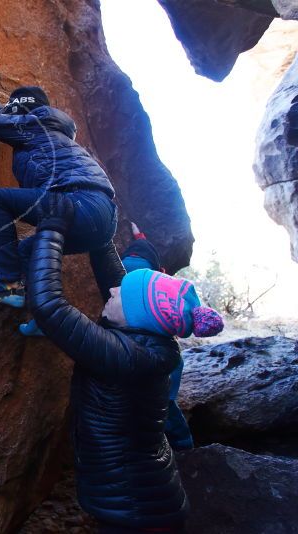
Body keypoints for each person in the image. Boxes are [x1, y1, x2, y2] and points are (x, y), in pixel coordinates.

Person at [26, 195, 224, 533]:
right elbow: (118, 284)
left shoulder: (128, 356)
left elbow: (50, 307)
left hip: (137, 512)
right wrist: (102, 224)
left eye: (120, 296)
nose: (111, 294)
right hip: (144, 500)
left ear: (136, 314)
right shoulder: (145, 339)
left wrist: (52, 228)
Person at [0, 74, 117, 308]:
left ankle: (8, 285)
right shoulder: (49, 128)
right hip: (102, 219)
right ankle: (44, 314)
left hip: (78, 203)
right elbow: (8, 120)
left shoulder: (36, 125)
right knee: (27, 249)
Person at [120, 222, 194, 451]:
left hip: (133, 354)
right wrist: (140, 236)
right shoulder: (156, 283)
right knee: (165, 405)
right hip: (162, 361)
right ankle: (183, 445)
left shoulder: (122, 271)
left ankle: (166, 446)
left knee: (143, 404)